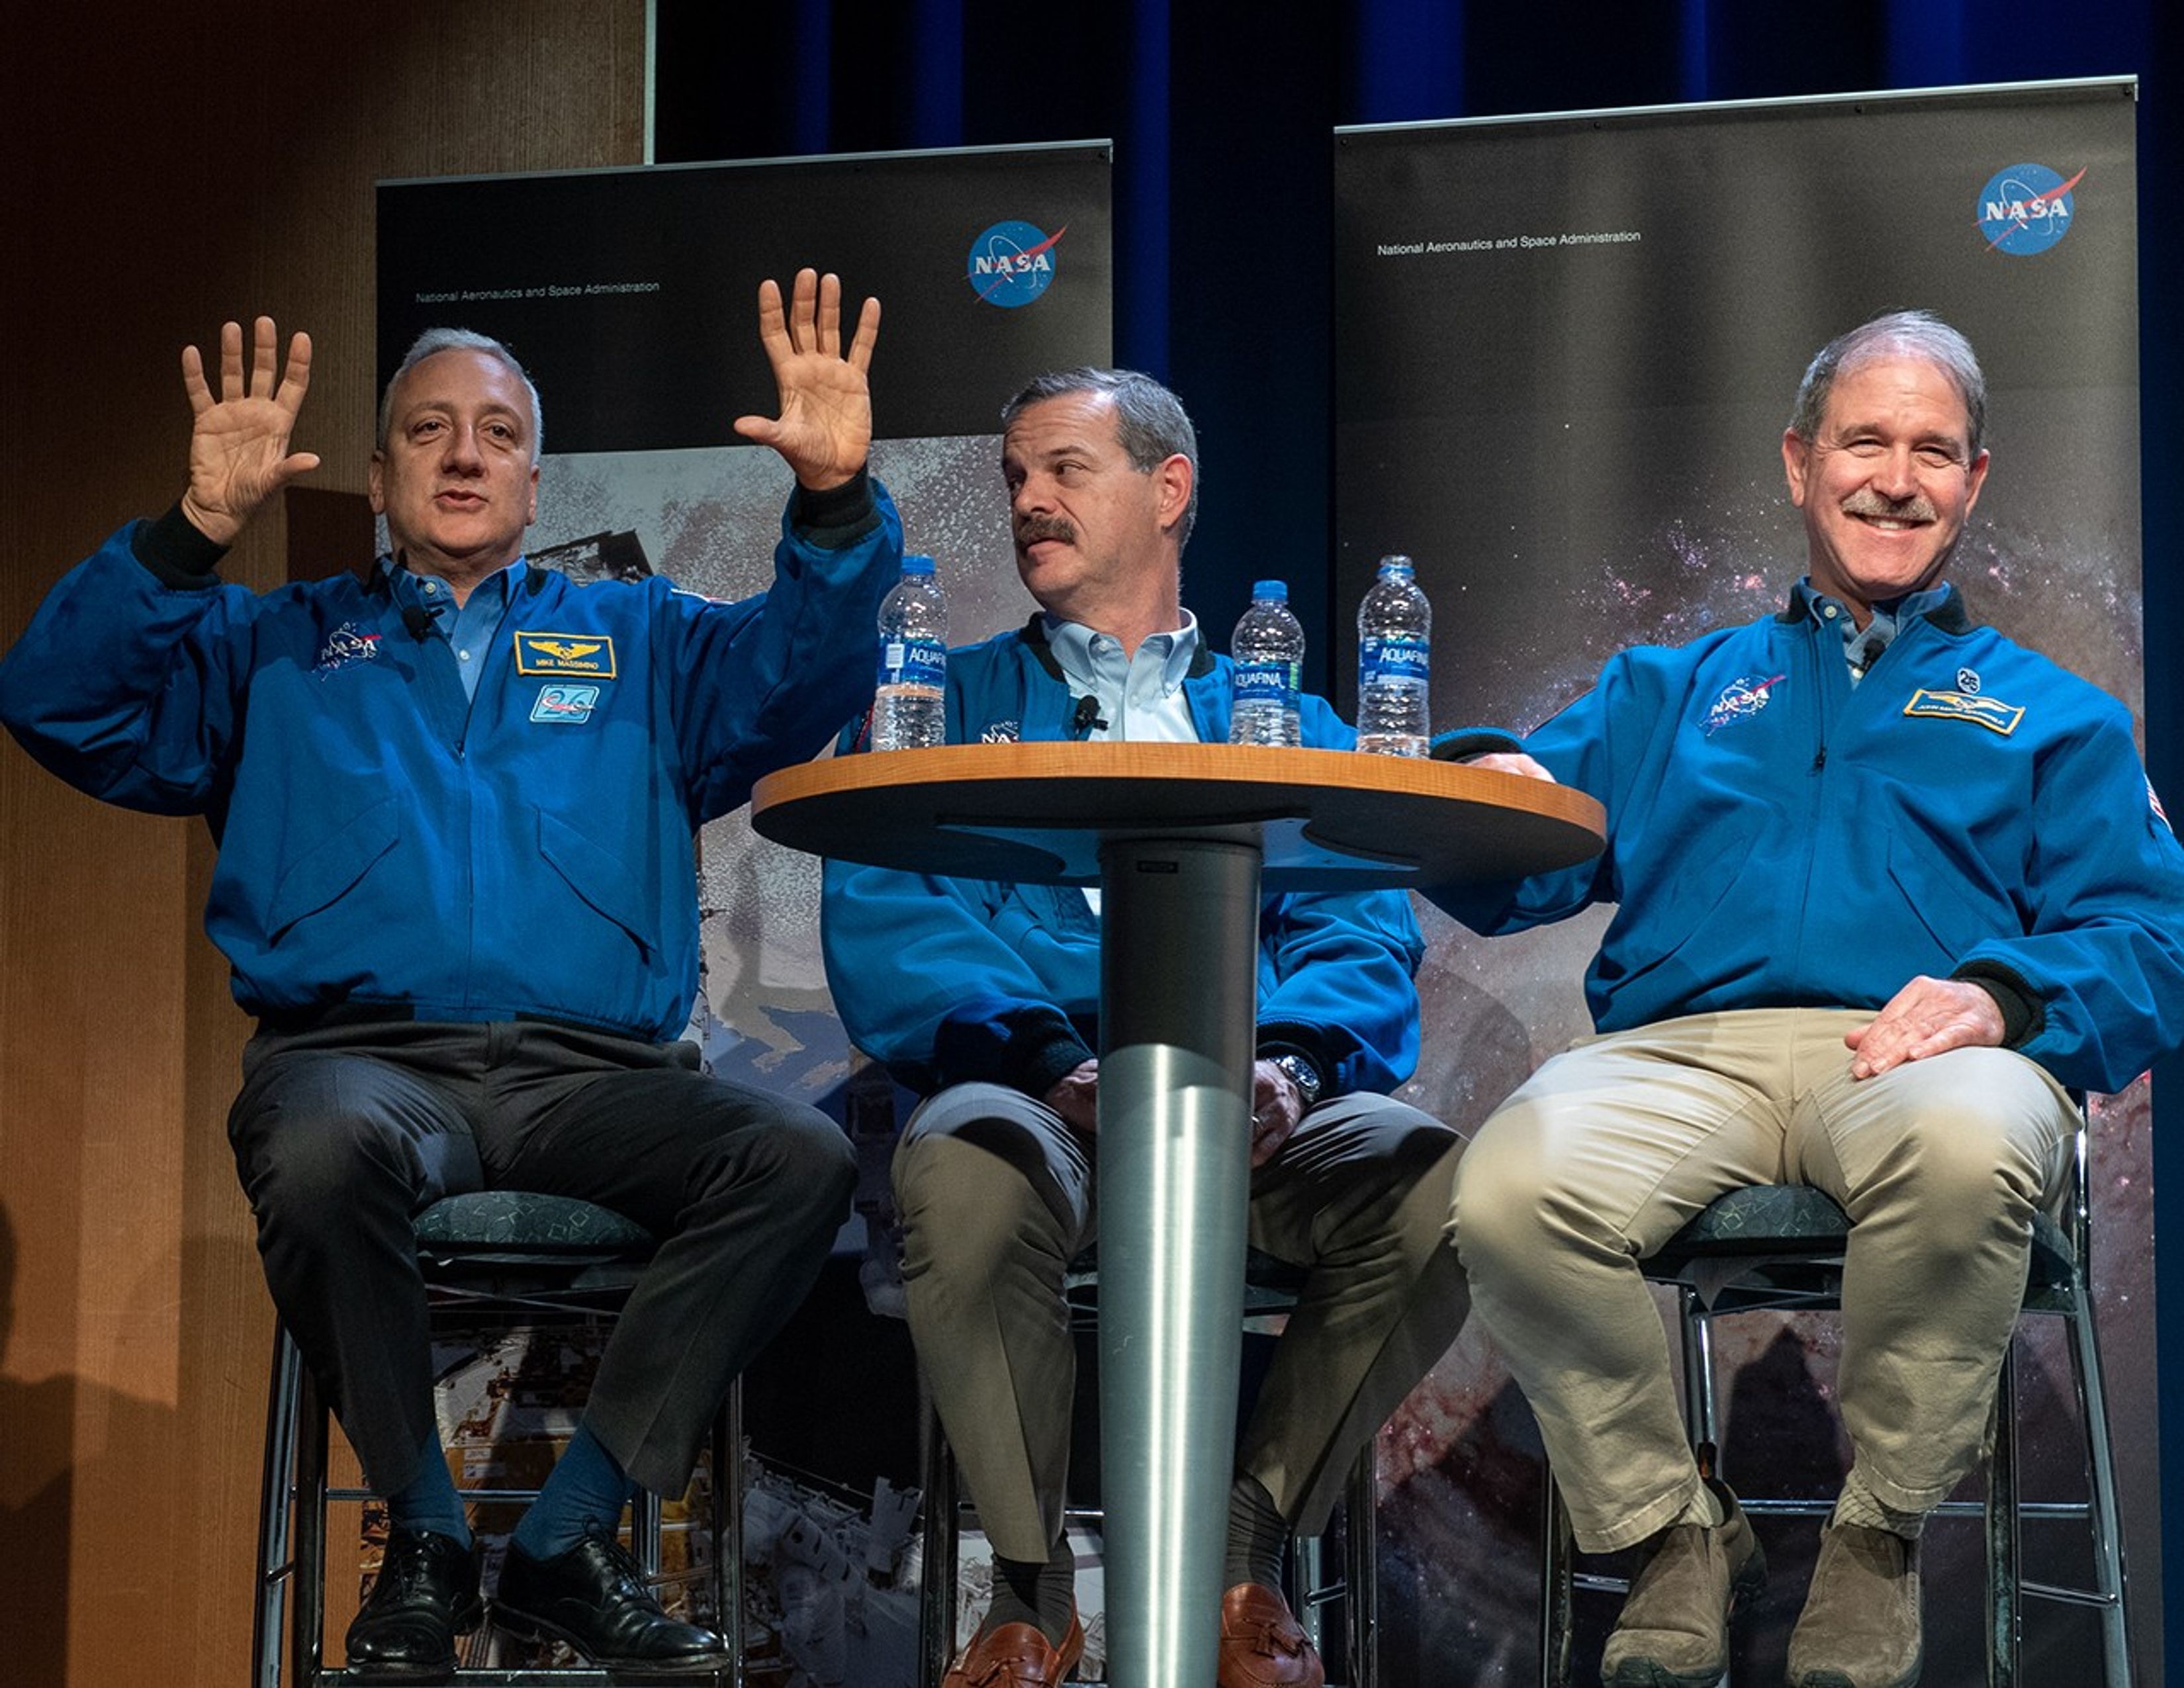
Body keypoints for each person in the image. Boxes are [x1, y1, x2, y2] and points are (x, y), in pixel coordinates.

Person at [0, 272, 901, 1679]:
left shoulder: (640, 640)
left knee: (791, 1158)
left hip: (592, 1081)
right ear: (376, 474)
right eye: (429, 429)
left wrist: (838, 505)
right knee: (314, 1153)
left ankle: (566, 1534)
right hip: (362, 1064)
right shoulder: (271, 645)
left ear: (538, 482)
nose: (464, 453)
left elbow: (811, 671)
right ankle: (421, 1531)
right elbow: (57, 702)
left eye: (494, 432)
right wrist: (193, 537)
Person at [1434, 310, 2184, 1688]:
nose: (1896, 478)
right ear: (1799, 461)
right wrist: (1495, 790)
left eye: (1933, 451)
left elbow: (2155, 933)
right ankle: (1670, 1534)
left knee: (1972, 1148)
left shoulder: (2056, 714)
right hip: (1682, 1059)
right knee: (1507, 1186)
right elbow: (1514, 843)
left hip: (1927, 1055)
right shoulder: (1670, 690)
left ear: (1975, 480)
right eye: (1865, 442)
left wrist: (2003, 996)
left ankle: (1877, 1541)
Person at [821, 367, 1471, 1688]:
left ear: (1170, 490)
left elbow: (1361, 929)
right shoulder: (941, 705)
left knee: (1442, 1189)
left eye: (1065, 469)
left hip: (1251, 1121)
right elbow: (895, 921)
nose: (1029, 501)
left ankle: (1247, 1560)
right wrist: (1057, 1070)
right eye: (1015, 477)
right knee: (960, 1159)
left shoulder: (1286, 717)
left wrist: (1290, 1072)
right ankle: (1029, 1589)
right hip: (1049, 1108)